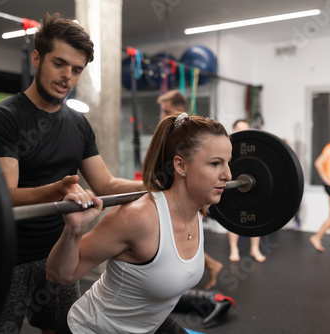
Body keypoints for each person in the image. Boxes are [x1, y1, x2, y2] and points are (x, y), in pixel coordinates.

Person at [0, 13, 143, 334]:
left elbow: (105, 184)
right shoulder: (4, 118)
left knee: (62, 328)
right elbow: (4, 196)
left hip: (58, 254)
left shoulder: (78, 123)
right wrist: (58, 190)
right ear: (37, 58)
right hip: (7, 256)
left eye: (77, 69)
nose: (67, 76)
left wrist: (156, 186)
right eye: (59, 63)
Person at [47, 112, 232, 333]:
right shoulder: (138, 218)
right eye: (215, 164)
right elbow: (58, 275)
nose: (228, 175)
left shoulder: (197, 211)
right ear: (181, 166)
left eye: (227, 163)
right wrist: (74, 229)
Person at [157, 89, 223, 290]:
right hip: (173, 197)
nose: (162, 115)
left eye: (166, 110)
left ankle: (204, 267)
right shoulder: (172, 135)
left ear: (178, 109)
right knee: (176, 239)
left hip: (189, 197)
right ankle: (209, 265)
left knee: (177, 239)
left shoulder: (191, 138)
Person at [227, 119, 266, 262]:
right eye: (240, 129)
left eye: (246, 129)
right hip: (234, 186)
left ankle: (254, 249)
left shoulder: (254, 147)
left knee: (256, 218)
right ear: (233, 130)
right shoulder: (227, 147)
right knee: (233, 218)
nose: (243, 132)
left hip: (252, 188)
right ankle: (234, 249)